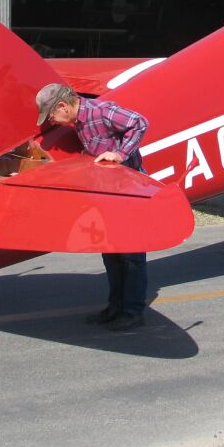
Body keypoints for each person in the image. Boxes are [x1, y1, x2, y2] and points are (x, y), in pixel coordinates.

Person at [35, 82, 150, 329]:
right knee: (111, 253)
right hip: (108, 194)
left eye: (52, 115)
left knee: (131, 256)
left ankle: (132, 312)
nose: (52, 121)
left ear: (63, 106)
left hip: (129, 192)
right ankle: (115, 308)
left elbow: (139, 122)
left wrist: (119, 154)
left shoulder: (101, 111)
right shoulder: (79, 122)